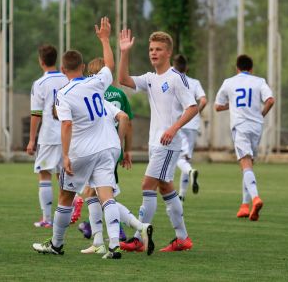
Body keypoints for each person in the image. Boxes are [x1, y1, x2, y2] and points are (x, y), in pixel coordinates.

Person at [32, 17, 152, 259]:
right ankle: (114, 245)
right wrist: (105, 40)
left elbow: (66, 124)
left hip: (82, 151)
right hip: (108, 147)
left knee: (66, 197)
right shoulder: (97, 82)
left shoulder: (63, 93)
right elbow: (109, 64)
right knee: (106, 195)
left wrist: (65, 155)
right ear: (83, 65)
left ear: (63, 70)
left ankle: (56, 244)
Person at [118, 29, 198, 252]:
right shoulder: (151, 78)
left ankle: (138, 237)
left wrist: (174, 128)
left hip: (167, 144)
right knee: (165, 187)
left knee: (147, 185)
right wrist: (124, 53)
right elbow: (123, 79)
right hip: (156, 143)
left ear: (168, 52)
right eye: (151, 49)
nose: (154, 53)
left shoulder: (176, 78)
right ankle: (182, 238)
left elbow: (193, 107)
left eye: (158, 49)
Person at [78, 57, 134, 251]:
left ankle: (127, 229)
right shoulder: (119, 94)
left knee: (104, 195)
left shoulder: (91, 94)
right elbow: (128, 122)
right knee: (96, 193)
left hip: (95, 148)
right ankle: (98, 238)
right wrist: (125, 149)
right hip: (112, 149)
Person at [215, 54, 274, 221]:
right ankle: (244, 206)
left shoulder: (229, 82)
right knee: (248, 165)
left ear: (237, 68)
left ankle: (255, 198)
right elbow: (270, 100)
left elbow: (217, 107)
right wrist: (261, 115)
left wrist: (231, 104)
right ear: (251, 68)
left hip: (240, 126)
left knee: (245, 163)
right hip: (256, 126)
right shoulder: (259, 81)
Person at [26, 44, 69, 228]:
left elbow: (36, 114)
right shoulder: (67, 79)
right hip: (67, 135)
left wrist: (31, 140)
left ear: (41, 61)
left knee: (44, 174)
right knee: (62, 175)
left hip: (49, 136)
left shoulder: (40, 84)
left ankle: (47, 219)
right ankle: (66, 213)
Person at [172, 54, 207, 201]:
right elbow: (204, 101)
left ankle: (191, 172)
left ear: (173, 67)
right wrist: (196, 113)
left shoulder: (171, 80)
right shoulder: (194, 82)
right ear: (187, 68)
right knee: (186, 158)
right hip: (192, 124)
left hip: (177, 123)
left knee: (178, 158)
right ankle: (182, 194)